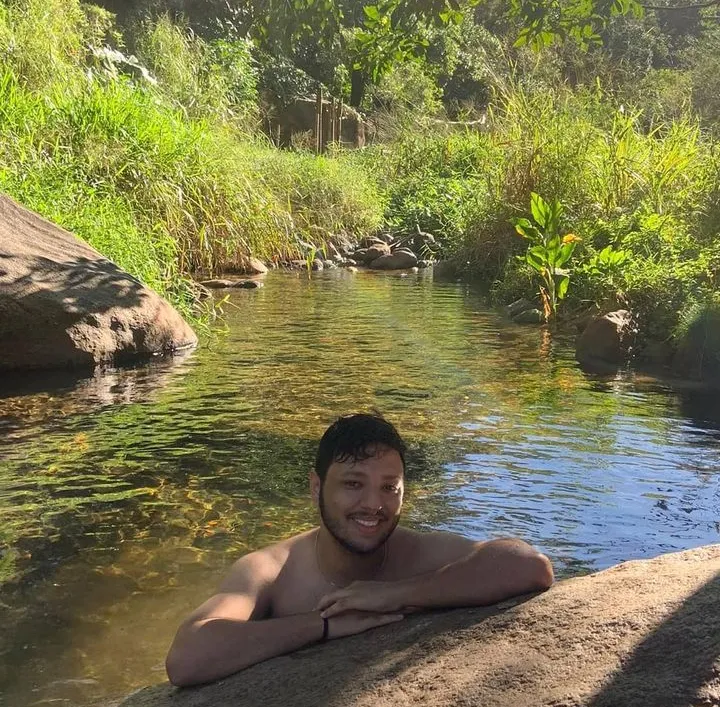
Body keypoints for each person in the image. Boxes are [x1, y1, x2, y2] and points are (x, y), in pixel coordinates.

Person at [166, 413, 553, 687]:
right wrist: (323, 626)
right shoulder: (272, 570)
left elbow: (529, 565)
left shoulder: (413, 551)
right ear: (316, 488)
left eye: (389, 487)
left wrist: (395, 593)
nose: (374, 504)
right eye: (353, 484)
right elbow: (187, 657)